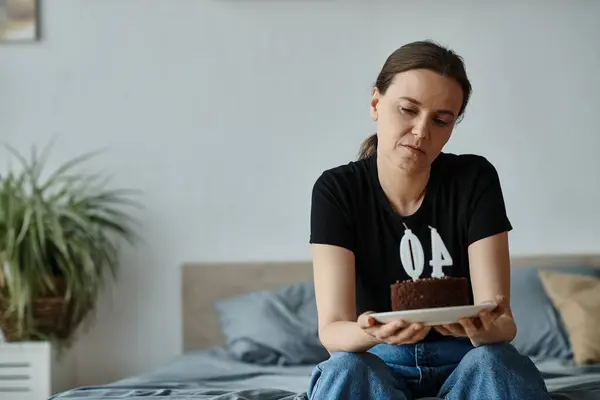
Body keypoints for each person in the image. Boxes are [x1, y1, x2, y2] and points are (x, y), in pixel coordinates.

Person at [307, 40, 551, 400]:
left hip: (467, 357)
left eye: (441, 120)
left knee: (495, 364)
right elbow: (332, 331)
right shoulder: (337, 189)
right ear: (376, 103)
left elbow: (502, 323)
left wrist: (478, 327)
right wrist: (374, 332)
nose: (422, 131)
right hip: (376, 359)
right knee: (345, 369)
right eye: (408, 110)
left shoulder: (475, 179)